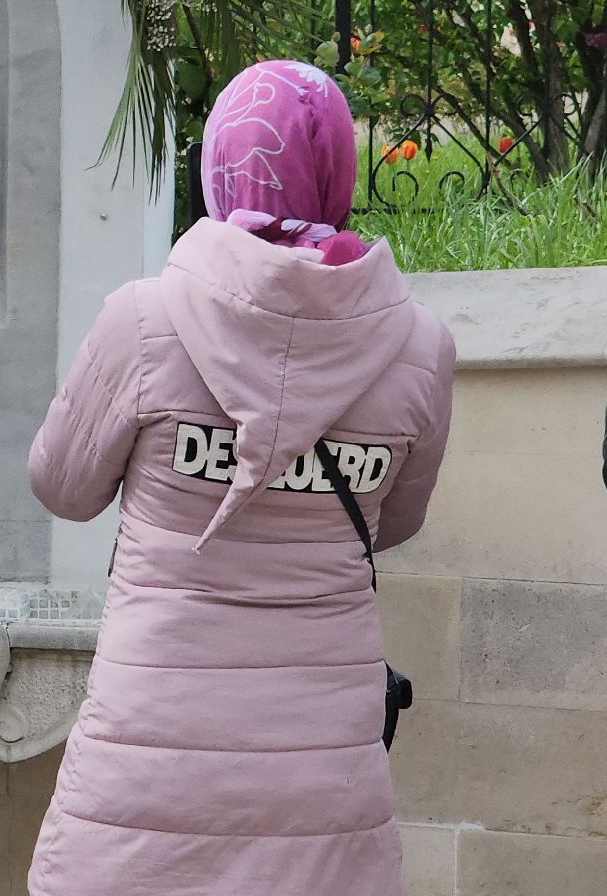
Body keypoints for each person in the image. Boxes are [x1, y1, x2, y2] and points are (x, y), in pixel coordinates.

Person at [26, 60, 456, 896]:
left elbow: (63, 489)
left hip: (150, 760)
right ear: (337, 167)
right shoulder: (416, 347)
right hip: (319, 770)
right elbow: (392, 522)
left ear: (217, 164)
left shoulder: (142, 322)